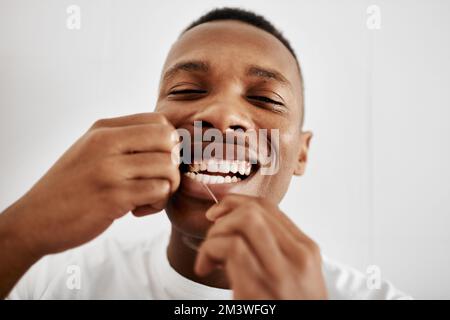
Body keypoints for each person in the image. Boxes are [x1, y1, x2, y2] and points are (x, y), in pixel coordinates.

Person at [0, 7, 411, 299]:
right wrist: (20, 231)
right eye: (187, 90)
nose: (221, 114)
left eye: (266, 99)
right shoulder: (47, 283)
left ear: (301, 154)